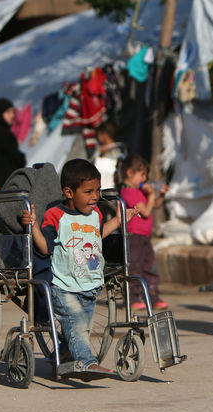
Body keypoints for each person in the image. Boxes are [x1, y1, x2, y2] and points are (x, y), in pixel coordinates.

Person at [21, 158, 137, 380]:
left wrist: (120, 221)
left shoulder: (96, 215)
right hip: (63, 286)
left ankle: (61, 363)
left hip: (90, 285)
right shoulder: (57, 215)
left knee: (78, 330)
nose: (95, 196)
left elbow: (97, 235)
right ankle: (86, 362)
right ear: (69, 192)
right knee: (76, 324)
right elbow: (45, 247)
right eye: (89, 191)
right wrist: (33, 225)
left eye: (98, 190)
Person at [117, 153, 169, 312]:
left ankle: (153, 296)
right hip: (134, 238)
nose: (144, 178)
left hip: (144, 237)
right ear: (130, 173)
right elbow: (145, 211)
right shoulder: (128, 192)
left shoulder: (139, 191)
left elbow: (156, 205)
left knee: (149, 267)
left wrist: (160, 194)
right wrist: (152, 195)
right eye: (142, 174)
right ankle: (132, 298)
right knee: (135, 268)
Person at [0, 97, 26, 189]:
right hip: (6, 186)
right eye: (8, 112)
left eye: (13, 112)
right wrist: (22, 158)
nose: (12, 115)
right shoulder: (2, 133)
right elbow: (16, 157)